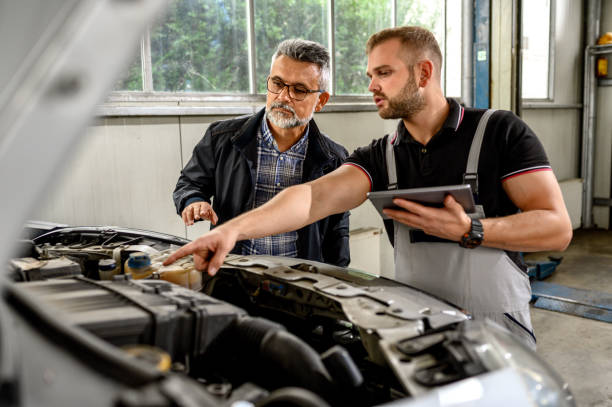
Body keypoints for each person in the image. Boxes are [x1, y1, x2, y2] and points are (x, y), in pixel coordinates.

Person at [165, 27, 572, 349]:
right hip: (418, 326)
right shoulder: (383, 155)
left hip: (497, 326)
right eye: (369, 75)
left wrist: (472, 230)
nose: (371, 86)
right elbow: (312, 197)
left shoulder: (499, 132)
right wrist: (233, 229)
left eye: (383, 73)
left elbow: (557, 228)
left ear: (423, 73)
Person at [172, 39, 350, 266]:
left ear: (321, 101)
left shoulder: (334, 159)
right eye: (277, 84)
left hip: (301, 279)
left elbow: (338, 231)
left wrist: (337, 279)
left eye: (299, 90)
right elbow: (189, 183)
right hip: (234, 271)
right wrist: (193, 201)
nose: (283, 97)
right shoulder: (221, 137)